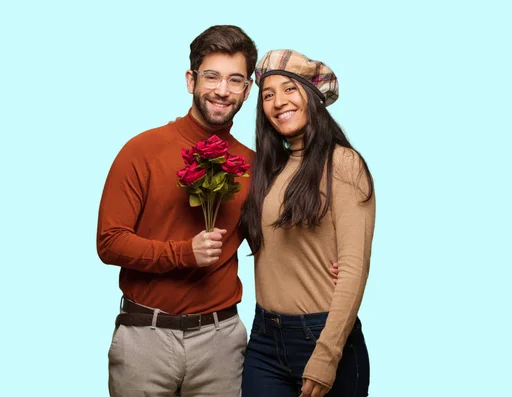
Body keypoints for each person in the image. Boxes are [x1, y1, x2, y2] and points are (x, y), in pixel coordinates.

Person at [96, 25, 258, 396]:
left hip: (221, 342)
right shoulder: (142, 150)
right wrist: (185, 253)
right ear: (191, 80)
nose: (222, 90)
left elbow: (272, 244)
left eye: (235, 80)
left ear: (247, 90)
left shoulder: (251, 164)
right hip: (145, 339)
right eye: (212, 76)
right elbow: (109, 242)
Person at [239, 49, 376, 397]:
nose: (277, 102)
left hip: (320, 336)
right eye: (268, 95)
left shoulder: (343, 164)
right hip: (264, 338)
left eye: (289, 89)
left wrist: (327, 356)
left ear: (313, 97)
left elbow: (353, 269)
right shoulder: (271, 170)